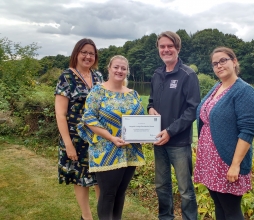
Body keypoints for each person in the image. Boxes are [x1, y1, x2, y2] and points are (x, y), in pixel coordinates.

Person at [194, 46, 254, 220]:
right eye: (215, 63)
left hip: (227, 161)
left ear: (234, 61)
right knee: (219, 205)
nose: (219, 66)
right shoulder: (217, 87)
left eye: (223, 60)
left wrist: (235, 164)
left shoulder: (244, 91)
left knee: (230, 210)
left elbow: (248, 130)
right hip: (211, 160)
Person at [77, 55, 145, 220]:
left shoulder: (133, 94)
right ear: (109, 68)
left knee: (120, 194)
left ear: (127, 71)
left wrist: (144, 135)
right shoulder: (98, 91)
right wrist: (111, 137)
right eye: (116, 67)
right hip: (106, 151)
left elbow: (141, 120)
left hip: (129, 151)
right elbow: (89, 118)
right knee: (107, 194)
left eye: (123, 68)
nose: (119, 71)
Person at [147, 31, 200, 220]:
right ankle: (165, 217)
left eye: (170, 46)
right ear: (158, 49)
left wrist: (170, 131)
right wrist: (150, 109)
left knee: (185, 189)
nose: (166, 50)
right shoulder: (157, 74)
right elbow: (151, 101)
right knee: (161, 185)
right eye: (162, 46)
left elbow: (192, 109)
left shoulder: (188, 75)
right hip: (158, 141)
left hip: (179, 143)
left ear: (177, 48)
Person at [55, 38, 103, 220]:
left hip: (98, 137)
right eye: (84, 52)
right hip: (76, 138)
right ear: (76, 53)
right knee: (81, 179)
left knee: (100, 177)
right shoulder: (67, 77)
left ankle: (103, 214)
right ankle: (86, 216)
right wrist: (68, 144)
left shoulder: (98, 77)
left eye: (91, 53)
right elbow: (60, 114)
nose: (88, 56)